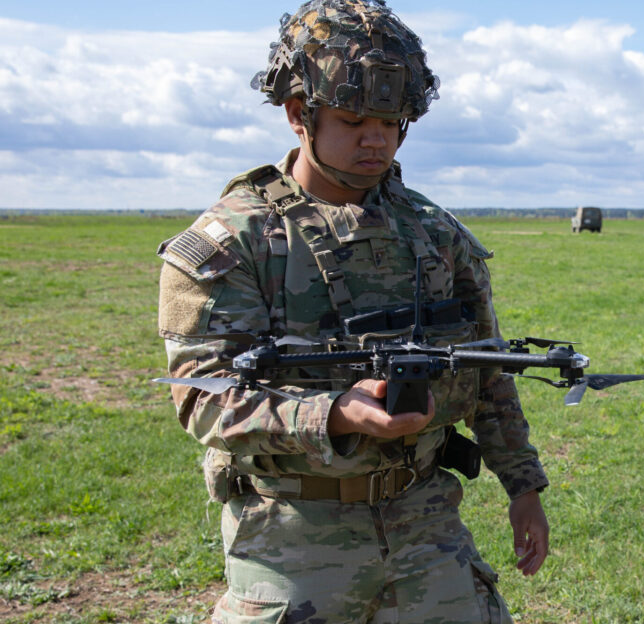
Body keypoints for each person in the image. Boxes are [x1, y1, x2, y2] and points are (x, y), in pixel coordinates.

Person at [156, 1, 548, 621]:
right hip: (293, 539)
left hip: (427, 527)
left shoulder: (433, 232)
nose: (377, 139)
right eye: (353, 119)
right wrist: (334, 415)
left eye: (392, 122)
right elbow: (201, 397)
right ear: (297, 115)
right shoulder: (235, 242)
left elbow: (488, 371)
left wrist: (523, 485)